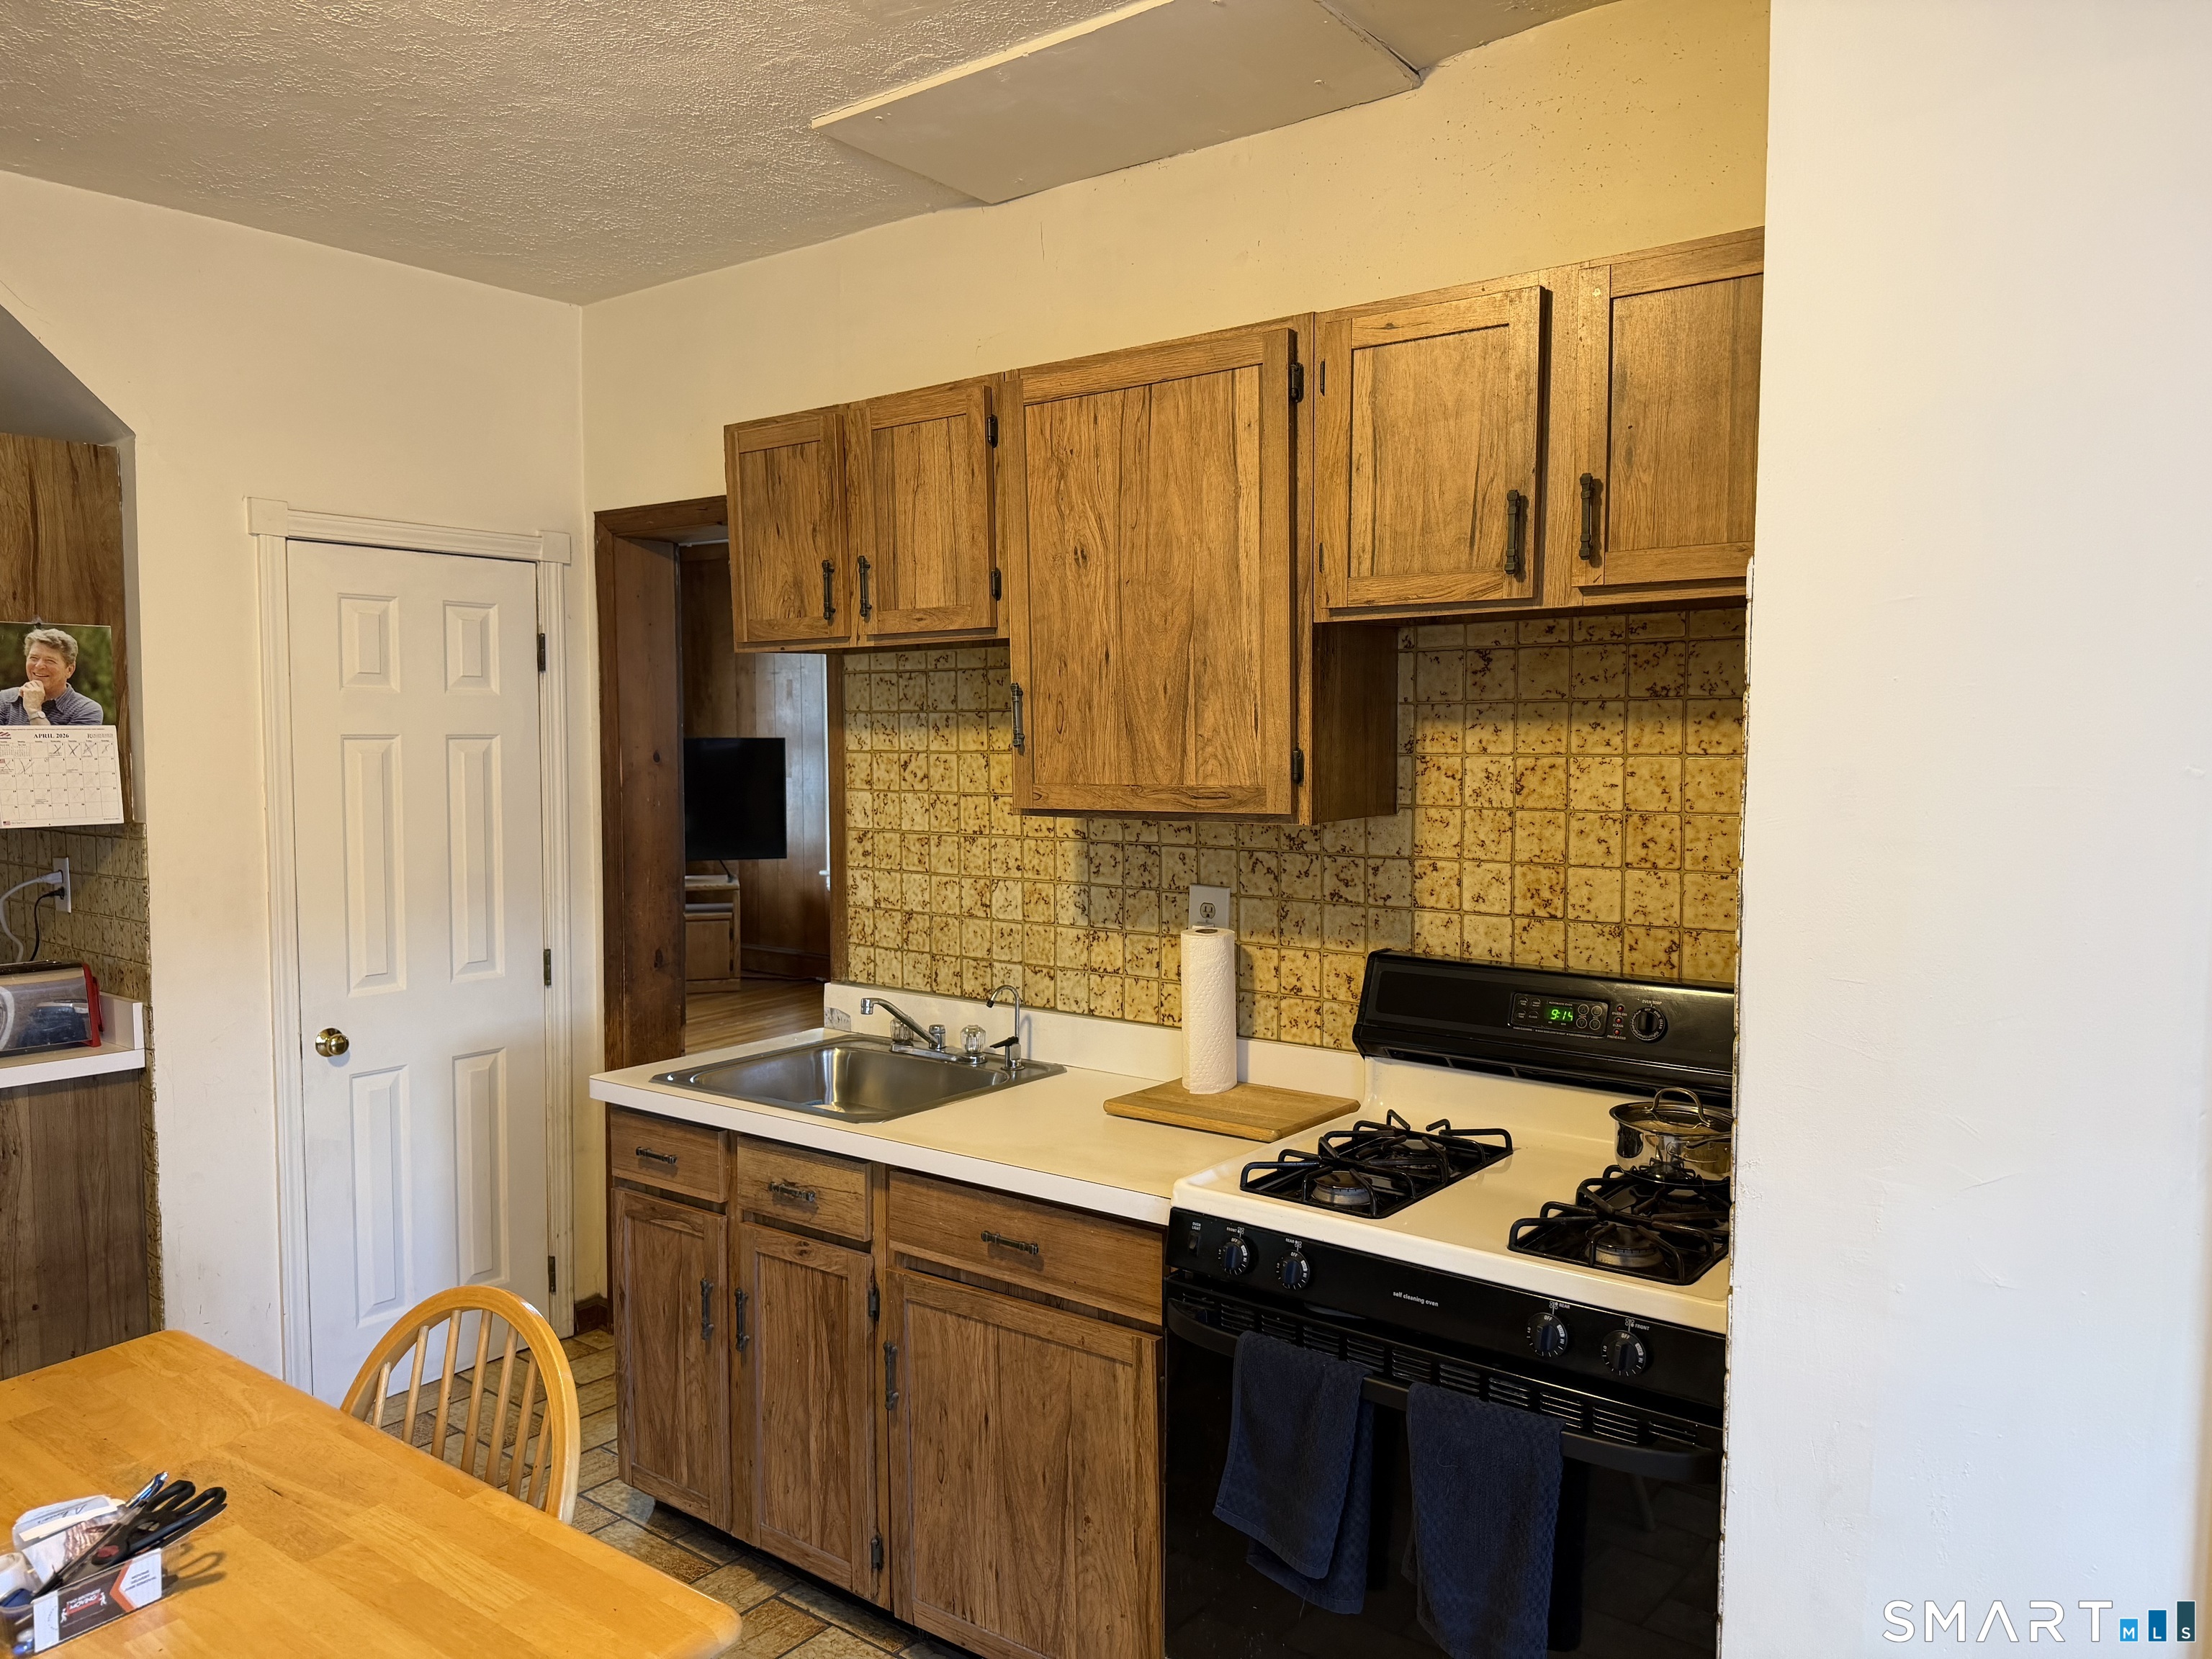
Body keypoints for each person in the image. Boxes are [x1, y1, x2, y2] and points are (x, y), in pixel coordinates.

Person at [0, 627, 103, 727]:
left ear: (69, 670)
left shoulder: (86, 710)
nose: (39, 665)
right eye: (34, 658)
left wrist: (34, 711)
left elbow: (55, 745)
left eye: (50, 661)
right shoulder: (4, 699)